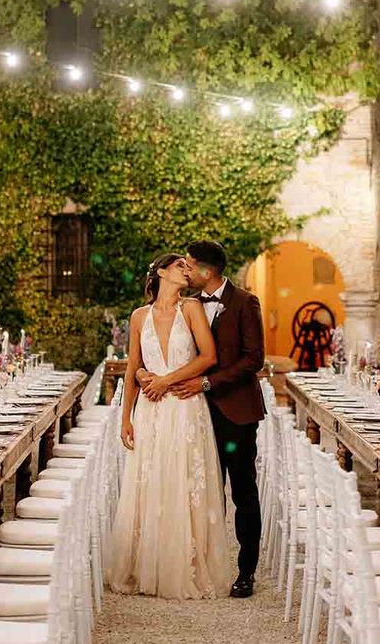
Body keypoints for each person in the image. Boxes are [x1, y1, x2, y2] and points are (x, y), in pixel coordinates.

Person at [139, 240, 266, 598]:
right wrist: (144, 375)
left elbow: (252, 360)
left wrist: (206, 382)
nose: (186, 270)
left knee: (243, 491)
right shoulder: (186, 306)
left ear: (206, 271)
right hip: (193, 412)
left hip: (235, 412)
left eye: (190, 265)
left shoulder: (244, 302)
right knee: (203, 494)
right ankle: (206, 565)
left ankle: (246, 572)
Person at [108, 253, 231, 599]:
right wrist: (126, 417)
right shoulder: (138, 317)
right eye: (180, 265)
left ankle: (184, 566)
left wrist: (166, 380)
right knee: (151, 481)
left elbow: (208, 357)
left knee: (183, 481)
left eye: (188, 266)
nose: (186, 269)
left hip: (185, 407)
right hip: (151, 410)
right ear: (161, 272)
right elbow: (133, 365)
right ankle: (148, 564)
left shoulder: (191, 309)